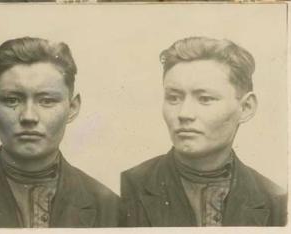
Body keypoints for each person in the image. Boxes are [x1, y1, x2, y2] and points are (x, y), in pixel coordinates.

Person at [0, 37, 120, 228]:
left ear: (72, 107)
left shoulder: (109, 206)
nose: (28, 116)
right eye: (12, 100)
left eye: (46, 101)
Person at [120, 36, 287, 226]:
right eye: (173, 98)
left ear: (246, 107)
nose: (184, 114)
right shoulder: (126, 189)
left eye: (205, 99)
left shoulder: (277, 203)